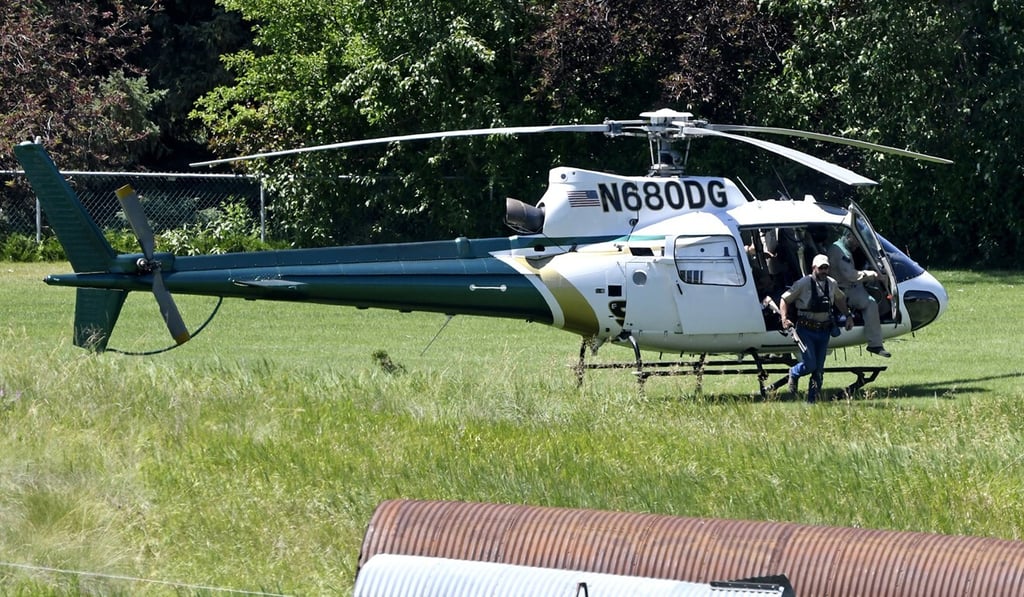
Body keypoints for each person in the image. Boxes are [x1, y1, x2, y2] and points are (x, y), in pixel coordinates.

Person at [779, 254, 855, 403]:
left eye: (826, 268)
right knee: (810, 364)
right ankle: (794, 372)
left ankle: (812, 402)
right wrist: (784, 318)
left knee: (819, 370)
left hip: (824, 331)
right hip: (805, 330)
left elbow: (840, 299)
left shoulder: (832, 283)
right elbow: (784, 299)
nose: (824, 271)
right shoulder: (803, 283)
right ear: (814, 268)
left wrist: (848, 315)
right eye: (821, 268)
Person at [827, 232, 891, 357]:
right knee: (870, 302)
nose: (857, 245)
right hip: (843, 289)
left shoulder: (841, 247)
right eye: (856, 241)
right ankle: (875, 344)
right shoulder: (841, 252)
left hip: (850, 285)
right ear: (849, 237)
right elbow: (851, 275)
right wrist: (872, 275)